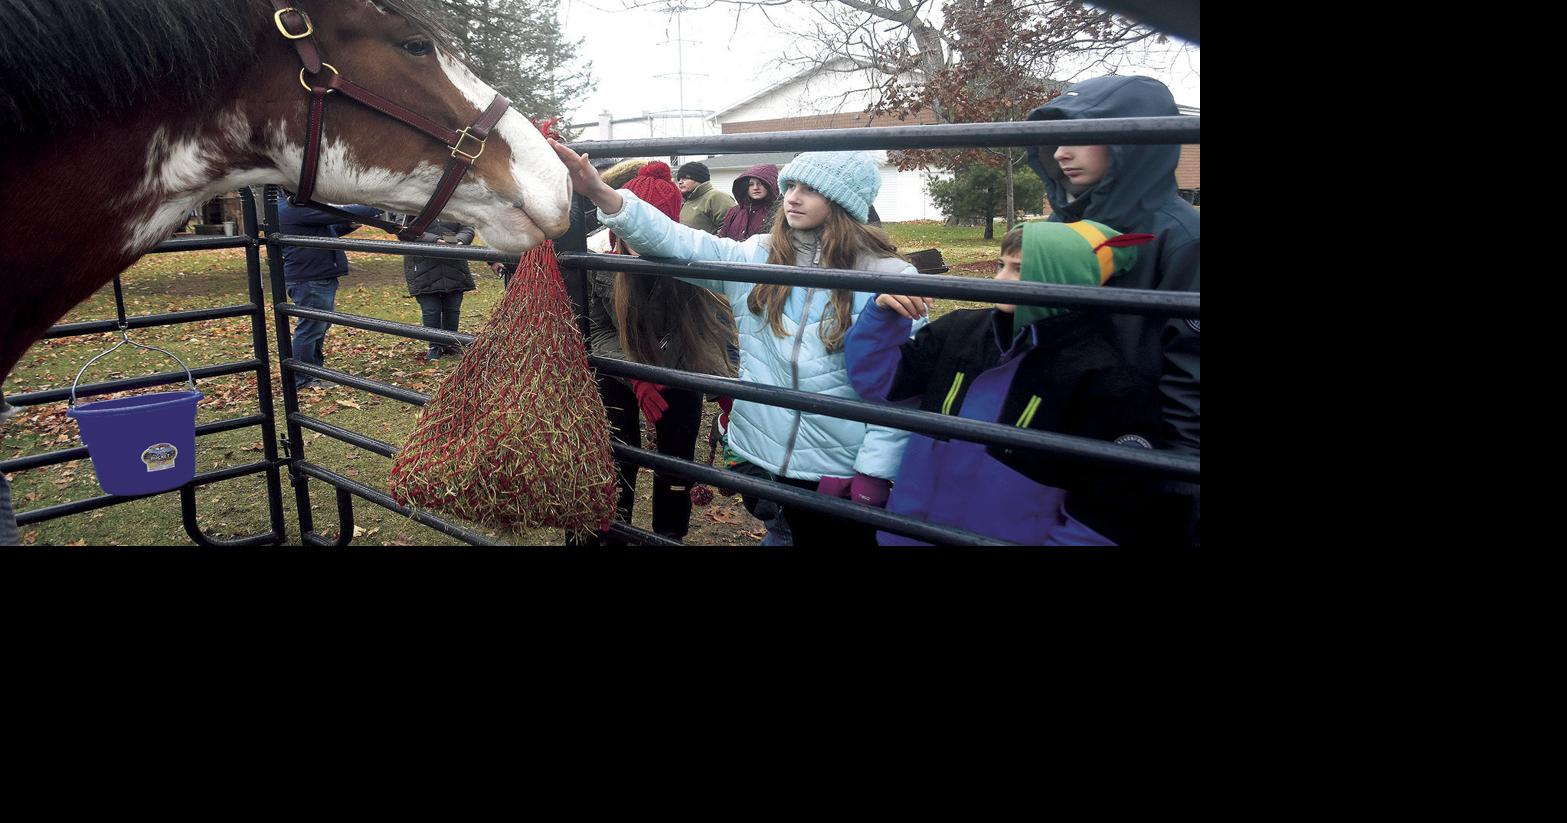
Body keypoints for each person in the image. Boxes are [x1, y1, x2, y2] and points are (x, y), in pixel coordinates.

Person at [553, 141, 916, 546]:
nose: (791, 197)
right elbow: (683, 243)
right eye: (791, 185)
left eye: (809, 190)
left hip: (838, 465)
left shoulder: (890, 279)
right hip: (763, 456)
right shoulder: (758, 258)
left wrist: (876, 471)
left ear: (843, 200)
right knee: (781, 532)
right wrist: (601, 192)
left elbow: (901, 393)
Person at [845, 221, 1161, 545]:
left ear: (1062, 276)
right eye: (1000, 264)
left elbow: (1104, 514)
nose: (999, 279)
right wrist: (883, 315)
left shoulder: (1104, 377)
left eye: (1019, 269)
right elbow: (879, 383)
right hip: (911, 535)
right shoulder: (960, 330)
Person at [1024, 75, 1200, 543]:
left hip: (1134, 453)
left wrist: (1179, 474)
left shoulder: (1182, 238)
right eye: (1057, 137)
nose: (1061, 152)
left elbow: (1192, 365)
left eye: (1082, 135)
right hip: (1054, 433)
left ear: (1133, 142)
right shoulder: (1061, 225)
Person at [583, 161, 737, 543]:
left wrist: (723, 390)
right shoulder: (598, 262)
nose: (641, 242)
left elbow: (706, 330)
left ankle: (669, 533)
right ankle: (612, 528)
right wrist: (634, 372)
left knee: (676, 455)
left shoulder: (692, 266)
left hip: (678, 368)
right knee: (617, 451)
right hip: (619, 371)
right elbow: (598, 328)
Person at [278, 200, 381, 390]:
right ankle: (303, 379)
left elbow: (326, 229)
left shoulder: (294, 209)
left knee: (318, 326)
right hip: (310, 278)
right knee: (311, 328)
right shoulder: (294, 207)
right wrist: (378, 203)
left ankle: (313, 373)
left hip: (316, 276)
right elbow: (339, 212)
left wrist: (347, 225)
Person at [402, 219, 477, 361]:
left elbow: (467, 227)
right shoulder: (411, 203)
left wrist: (459, 241)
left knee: (453, 308)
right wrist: (435, 240)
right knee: (431, 310)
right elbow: (405, 230)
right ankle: (435, 345)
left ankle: (451, 342)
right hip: (423, 264)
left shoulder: (452, 204)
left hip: (454, 263)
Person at [718, 163, 780, 243]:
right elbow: (723, 237)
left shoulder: (777, 212)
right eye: (751, 184)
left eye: (760, 183)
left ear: (770, 185)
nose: (755, 188)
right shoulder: (734, 211)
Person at [675, 161, 736, 235]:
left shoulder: (716, 197)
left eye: (685, 178)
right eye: (679, 179)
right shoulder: (683, 200)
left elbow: (731, 227)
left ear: (699, 178)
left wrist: (708, 245)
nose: (680, 182)